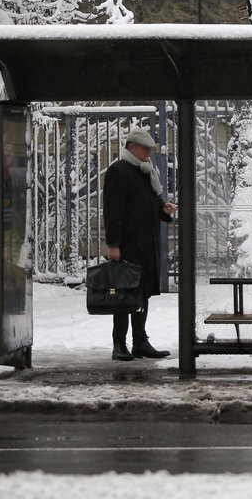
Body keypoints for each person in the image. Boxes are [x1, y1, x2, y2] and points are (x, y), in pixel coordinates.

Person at [103, 127, 178, 361]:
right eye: (145, 149)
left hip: (146, 244)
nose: (148, 153)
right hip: (128, 245)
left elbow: (151, 203)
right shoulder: (118, 171)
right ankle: (119, 343)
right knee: (124, 293)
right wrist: (113, 244)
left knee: (142, 293)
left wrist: (164, 210)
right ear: (131, 147)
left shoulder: (145, 171)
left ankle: (140, 341)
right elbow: (113, 211)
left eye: (150, 149)